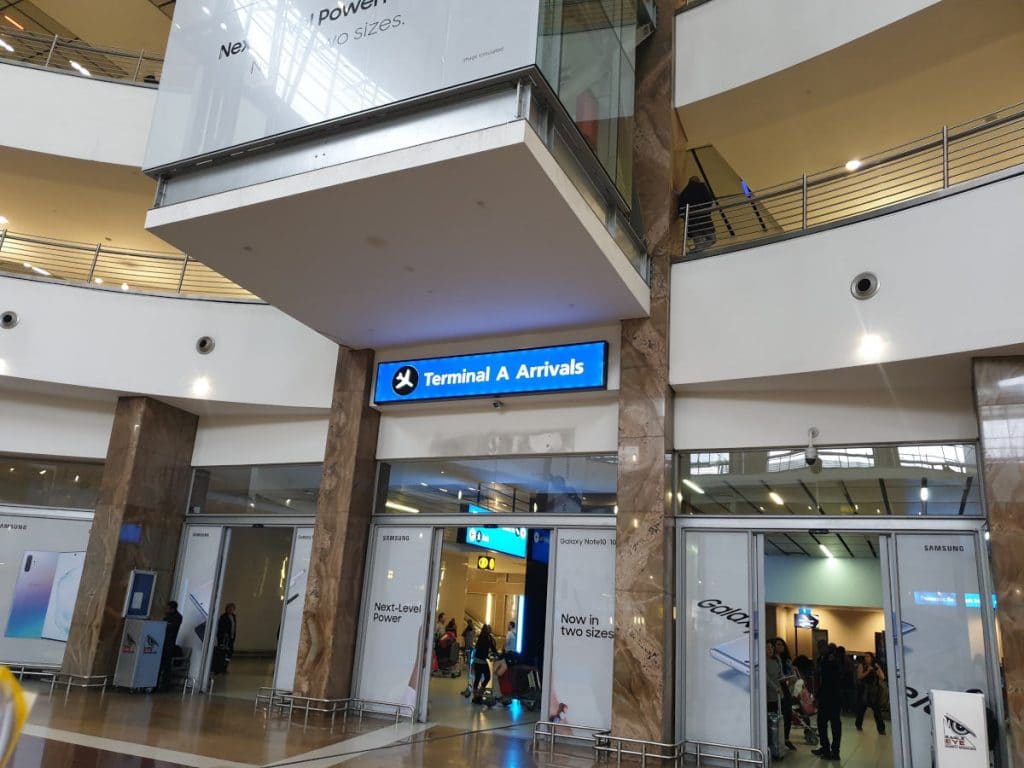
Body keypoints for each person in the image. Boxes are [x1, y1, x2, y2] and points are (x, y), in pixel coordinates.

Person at [812, 644, 845, 761]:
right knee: (835, 725)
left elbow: (825, 681)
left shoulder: (827, 661)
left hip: (827, 699)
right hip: (836, 698)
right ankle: (834, 751)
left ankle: (826, 749)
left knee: (822, 723)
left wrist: (817, 696)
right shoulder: (839, 661)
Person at [677, 175, 716, 251]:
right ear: (698, 181)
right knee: (713, 239)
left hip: (692, 222)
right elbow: (709, 201)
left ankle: (696, 251)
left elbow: (680, 209)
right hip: (704, 219)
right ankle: (695, 251)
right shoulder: (701, 187)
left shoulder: (684, 192)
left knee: (698, 242)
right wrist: (707, 211)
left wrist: (687, 218)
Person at [774, 638, 798, 751]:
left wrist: (791, 678)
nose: (781, 646)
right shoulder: (773, 660)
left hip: (785, 688)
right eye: (778, 644)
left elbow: (790, 674)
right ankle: (778, 739)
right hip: (777, 688)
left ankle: (786, 738)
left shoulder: (786, 660)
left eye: (782, 644)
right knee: (779, 715)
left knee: (788, 714)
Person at [855, 652, 887, 734]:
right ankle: (858, 725)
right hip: (864, 691)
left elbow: (883, 677)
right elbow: (859, 676)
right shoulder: (861, 665)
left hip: (873, 692)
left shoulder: (875, 666)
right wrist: (868, 671)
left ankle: (881, 729)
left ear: (872, 658)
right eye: (865, 657)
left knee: (877, 711)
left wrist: (877, 670)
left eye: (868, 656)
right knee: (861, 710)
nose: (866, 658)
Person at [158, 601, 183, 691]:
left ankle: (165, 686)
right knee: (160, 665)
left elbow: (170, 627)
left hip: (169, 645)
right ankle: (157, 684)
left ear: (172, 609)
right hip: (162, 644)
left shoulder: (178, 617)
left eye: (167, 608)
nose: (166, 610)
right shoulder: (167, 616)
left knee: (166, 666)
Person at [471, 623, 498, 703]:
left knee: (477, 678)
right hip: (482, 661)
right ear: (488, 630)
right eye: (490, 628)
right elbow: (491, 648)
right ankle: (479, 693)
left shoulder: (481, 637)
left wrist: (489, 655)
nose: (491, 630)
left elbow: (480, 648)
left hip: (477, 660)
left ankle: (476, 696)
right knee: (487, 677)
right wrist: (494, 655)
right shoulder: (488, 638)